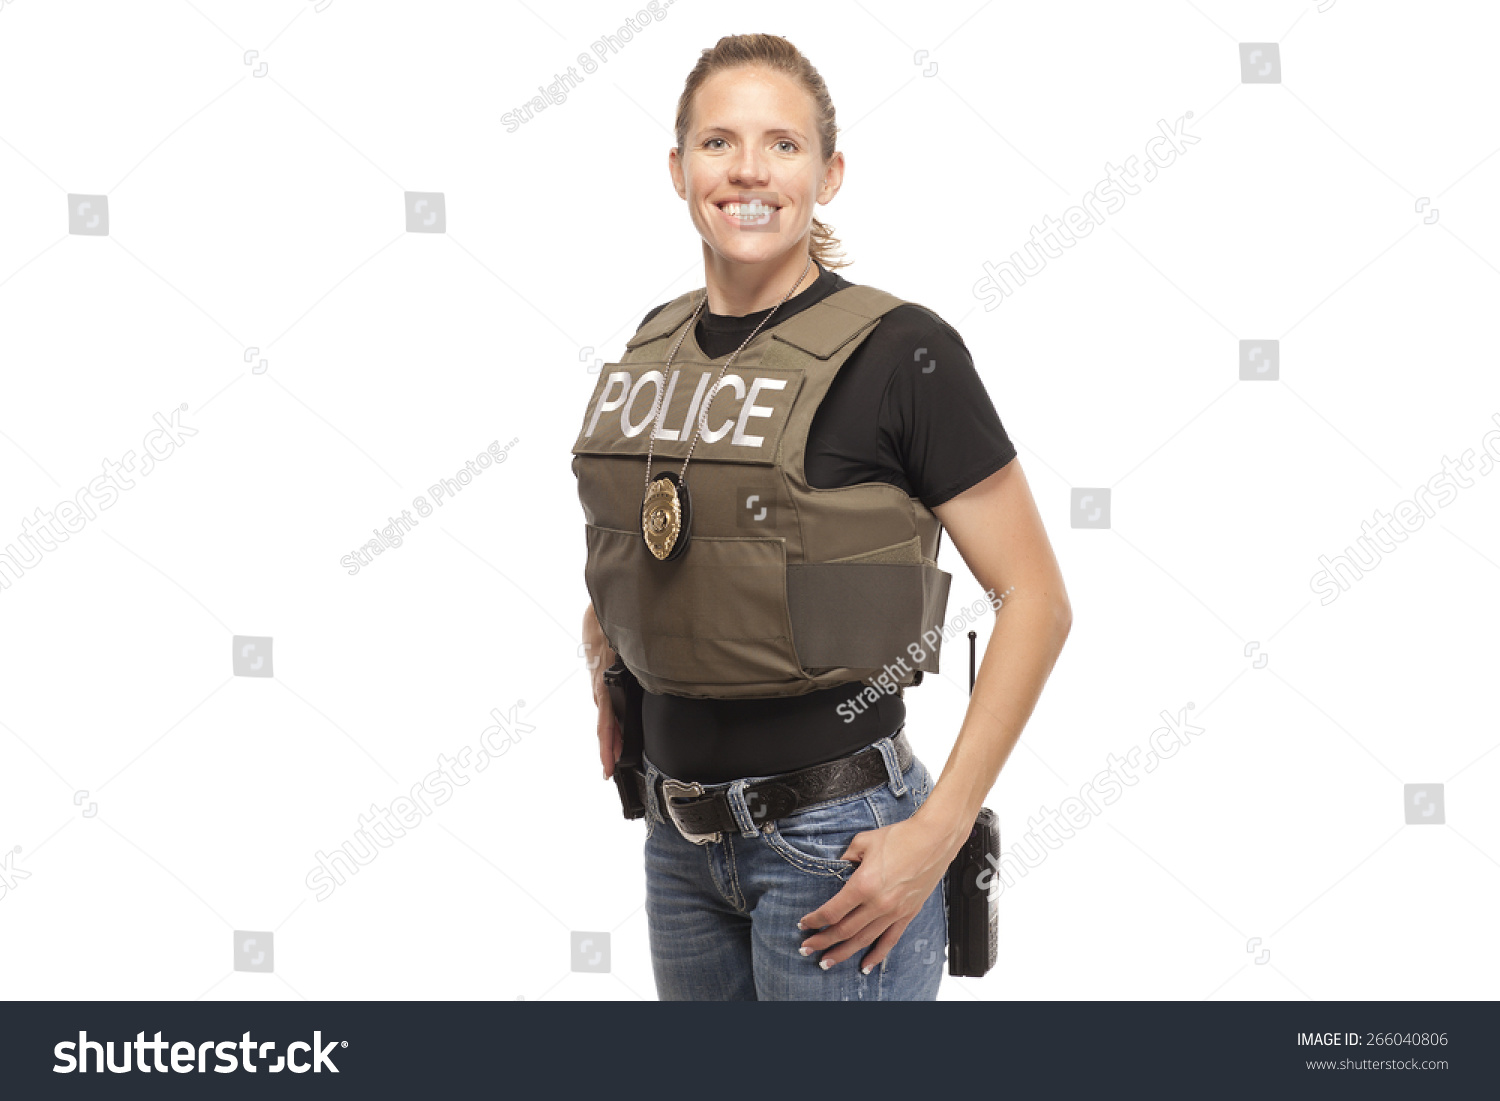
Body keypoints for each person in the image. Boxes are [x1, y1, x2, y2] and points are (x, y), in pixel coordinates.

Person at [573, 33, 1071, 1001]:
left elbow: (1037, 600)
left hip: (837, 842)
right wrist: (609, 651)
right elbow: (647, 543)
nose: (749, 171)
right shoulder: (654, 346)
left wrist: (936, 836)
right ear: (677, 171)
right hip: (677, 845)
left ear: (829, 173)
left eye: (783, 145)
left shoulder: (904, 354)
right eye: (718, 143)